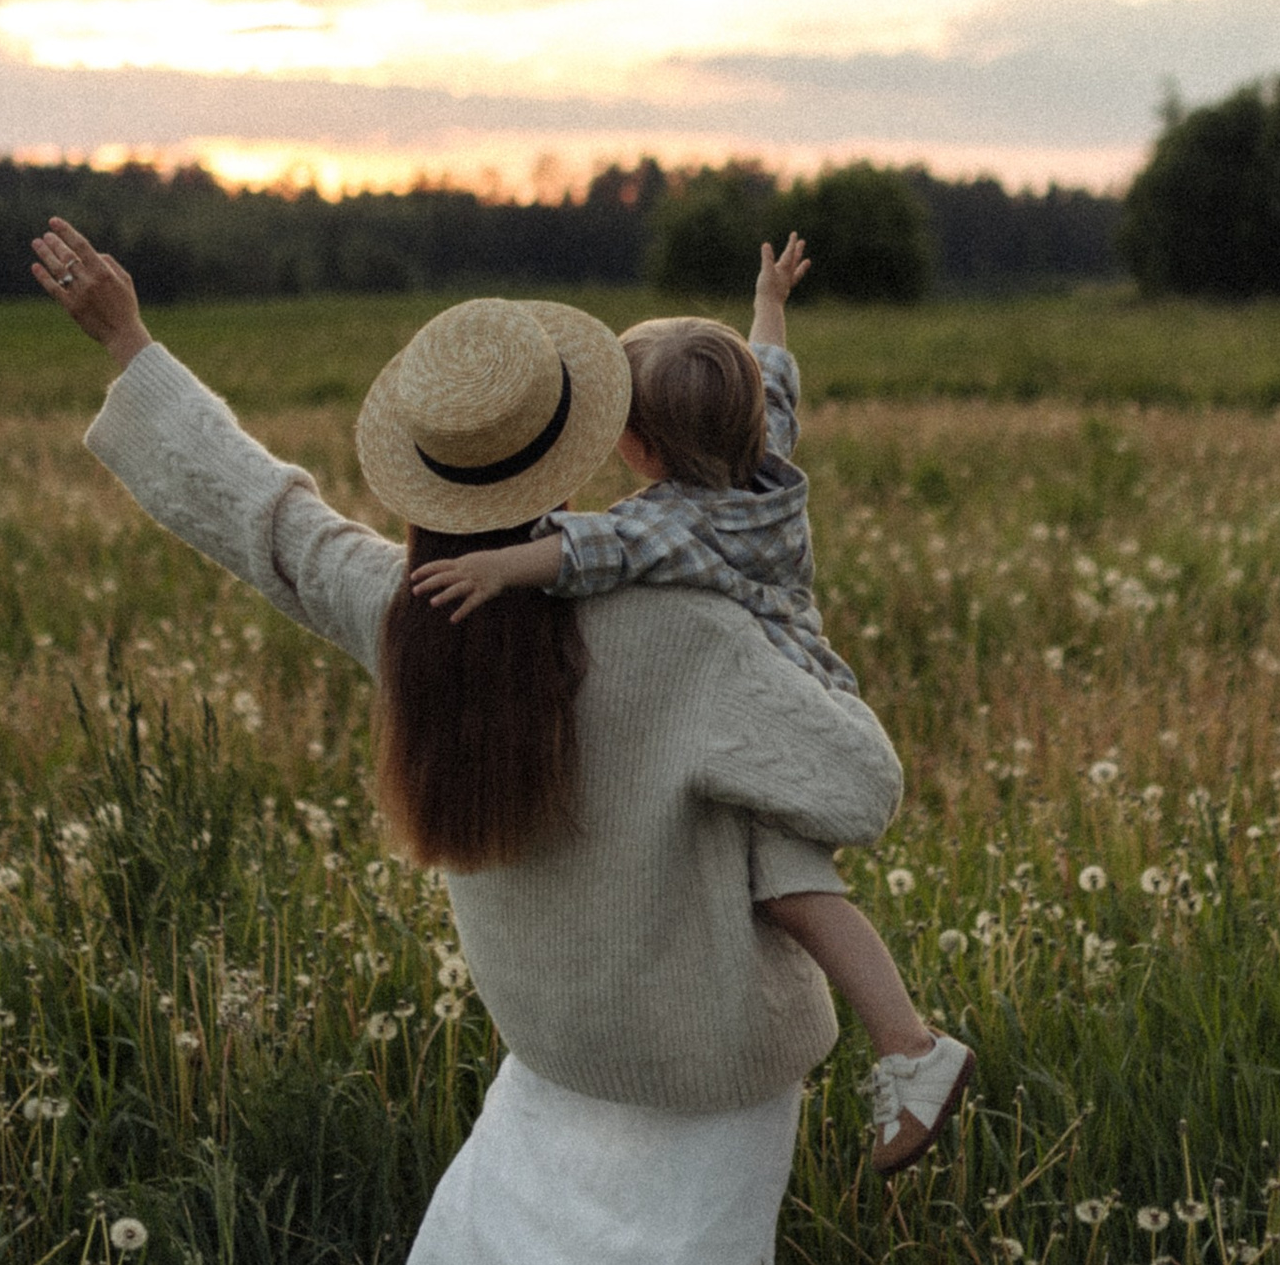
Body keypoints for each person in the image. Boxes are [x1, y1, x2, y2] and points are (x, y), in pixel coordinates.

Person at [30, 215, 923, 1265]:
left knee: (500, 1256)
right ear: (581, 452)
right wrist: (777, 636)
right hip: (707, 1060)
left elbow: (263, 519)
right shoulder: (683, 630)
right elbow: (864, 786)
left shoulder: (405, 623)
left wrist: (130, 341)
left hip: (557, 1047)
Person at [407, 234, 974, 1173]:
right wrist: (769, 301)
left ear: (638, 445)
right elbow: (775, 373)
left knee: (793, 883)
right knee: (793, 880)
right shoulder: (767, 458)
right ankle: (907, 1043)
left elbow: (582, 553)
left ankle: (913, 1047)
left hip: (767, 703)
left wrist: (492, 564)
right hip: (811, 679)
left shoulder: (664, 523)